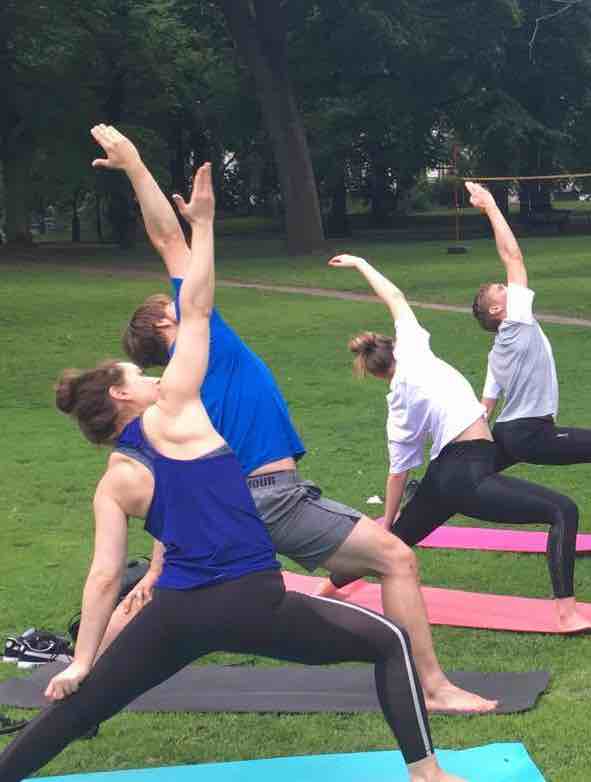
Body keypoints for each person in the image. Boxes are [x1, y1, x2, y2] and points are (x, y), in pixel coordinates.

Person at [0, 164, 460, 782]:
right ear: (123, 396)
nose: (152, 375)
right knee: (389, 642)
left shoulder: (114, 477)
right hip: (252, 601)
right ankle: (428, 775)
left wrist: (83, 658)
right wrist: (207, 222)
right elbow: (195, 309)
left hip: (175, 613)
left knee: (82, 704)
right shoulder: (179, 410)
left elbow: (106, 573)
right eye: (139, 376)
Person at [98, 125, 492, 714]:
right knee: (397, 559)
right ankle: (431, 687)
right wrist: (134, 163)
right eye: (168, 304)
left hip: (245, 498)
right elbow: (166, 238)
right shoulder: (202, 340)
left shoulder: (182, 379)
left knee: (169, 593)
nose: (177, 296)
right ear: (165, 326)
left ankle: (84, 673)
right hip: (272, 495)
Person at [322, 253, 591, 633]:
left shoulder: (397, 404)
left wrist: (387, 521)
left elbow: (398, 472)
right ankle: (566, 613)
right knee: (563, 510)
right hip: (469, 471)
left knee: (394, 543)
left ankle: (324, 589)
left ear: (375, 372)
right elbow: (395, 298)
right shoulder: (415, 348)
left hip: (442, 476)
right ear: (394, 346)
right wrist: (361, 263)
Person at [467, 182, 591, 561]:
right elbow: (513, 257)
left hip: (509, 433)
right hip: (531, 433)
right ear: (498, 311)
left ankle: (422, 496)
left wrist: (474, 447)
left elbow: (486, 407)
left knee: (466, 481)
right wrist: (491, 207)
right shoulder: (515, 324)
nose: (507, 286)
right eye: (501, 289)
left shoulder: (499, 348)